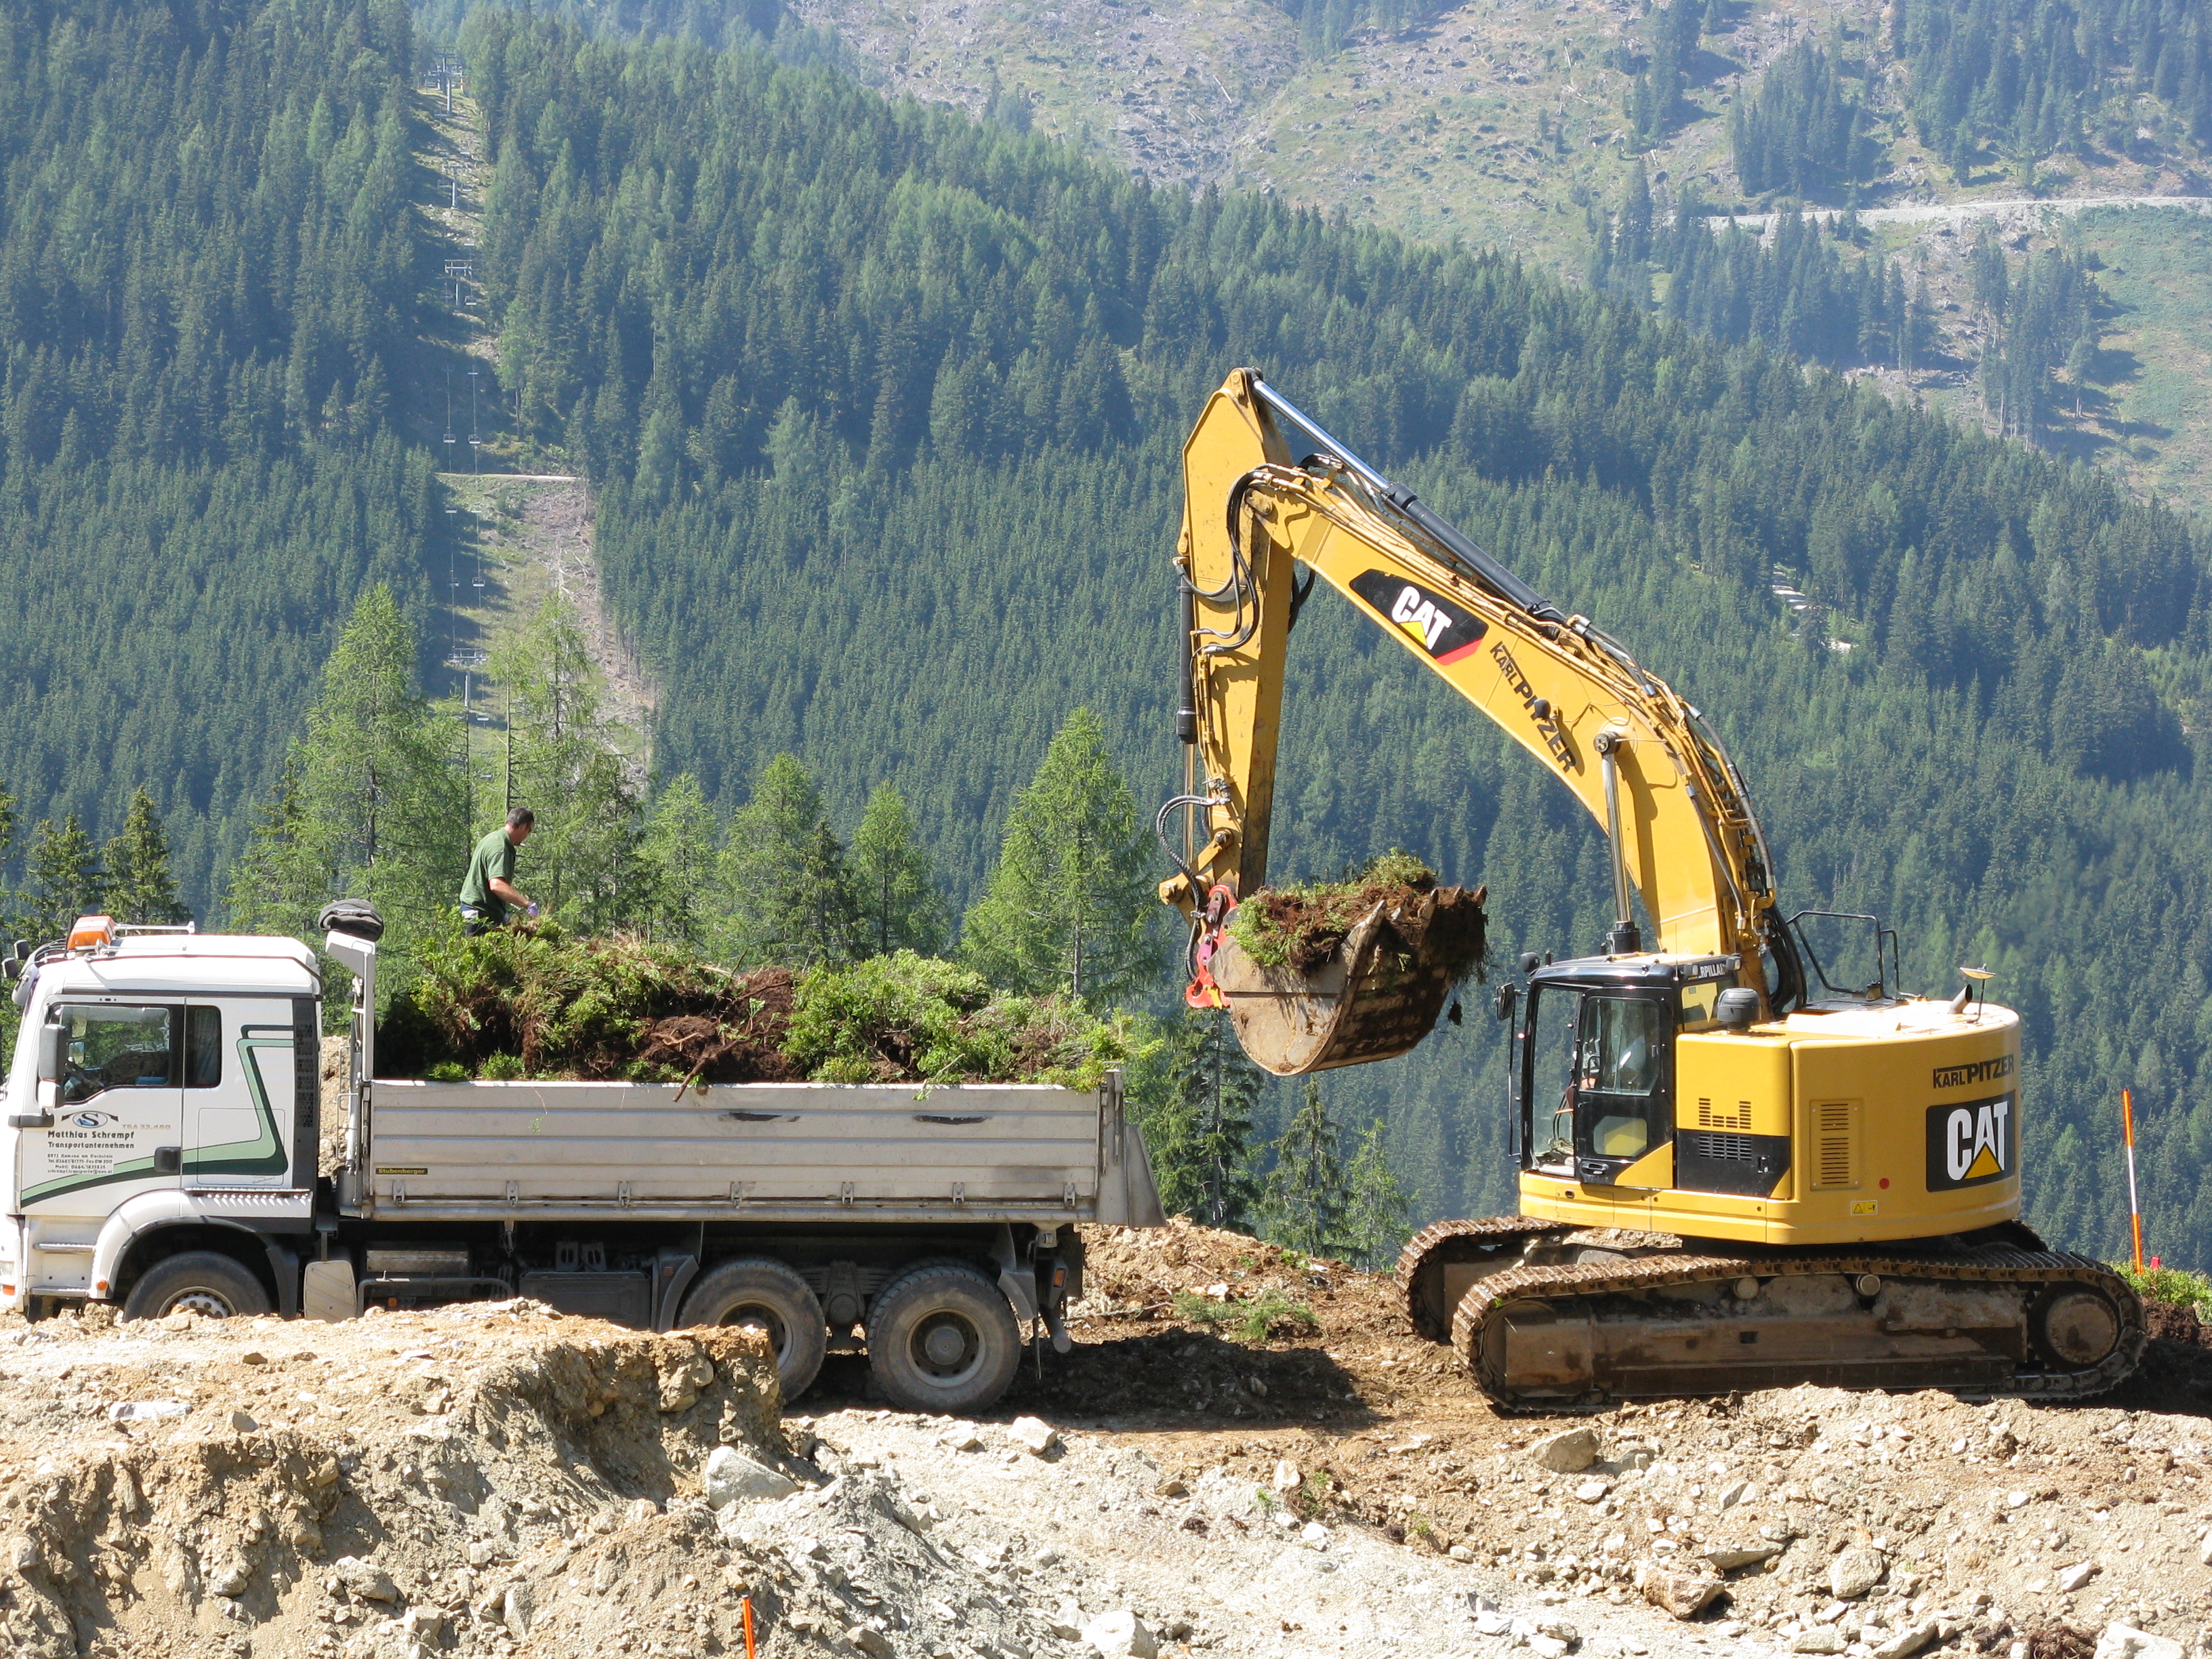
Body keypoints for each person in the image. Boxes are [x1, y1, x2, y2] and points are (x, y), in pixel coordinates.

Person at [459, 807, 538, 935]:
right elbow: (496, 885)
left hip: (484, 912)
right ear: (523, 827)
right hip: (480, 915)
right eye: (529, 831)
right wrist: (527, 904)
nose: (527, 836)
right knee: (482, 954)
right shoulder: (500, 847)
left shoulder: (493, 838)